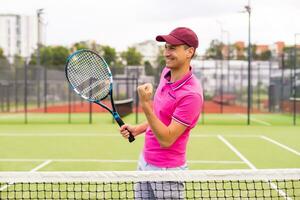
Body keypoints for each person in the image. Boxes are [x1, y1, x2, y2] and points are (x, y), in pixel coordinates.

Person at [120, 27, 203, 199]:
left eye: (173, 48)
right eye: (166, 47)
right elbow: (160, 116)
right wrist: (138, 128)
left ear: (190, 52)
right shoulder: (166, 72)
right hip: (145, 161)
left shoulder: (191, 95)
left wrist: (145, 104)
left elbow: (167, 139)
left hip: (168, 173)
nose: (166, 52)